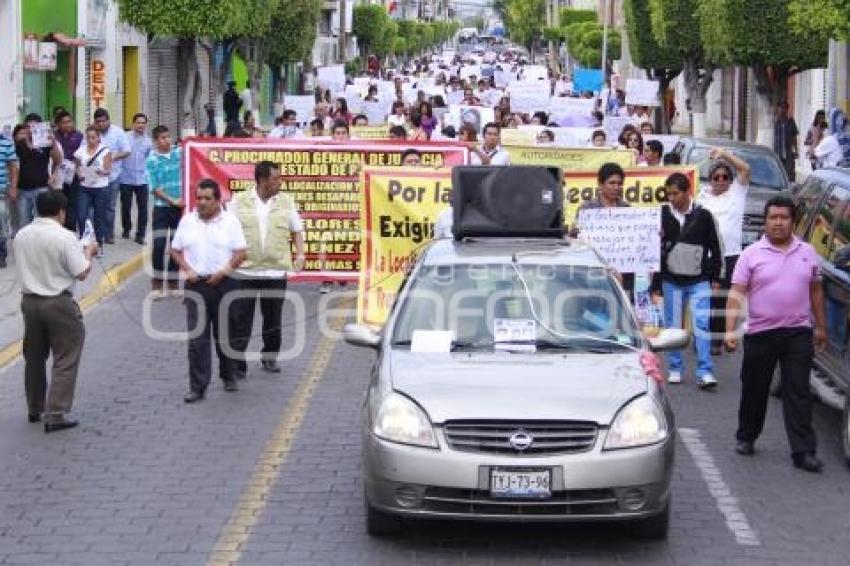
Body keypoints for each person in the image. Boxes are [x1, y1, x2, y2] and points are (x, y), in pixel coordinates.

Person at [725, 196, 827, 473]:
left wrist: (820, 327)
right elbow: (737, 292)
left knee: (799, 391)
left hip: (798, 333)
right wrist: (730, 330)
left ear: (793, 221)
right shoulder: (751, 254)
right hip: (761, 332)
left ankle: (803, 451)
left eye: (784, 218)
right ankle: (746, 436)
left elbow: (816, 290)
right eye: (773, 218)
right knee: (754, 389)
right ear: (766, 221)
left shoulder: (808, 252)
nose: (778, 223)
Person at [14, 190, 98, 432]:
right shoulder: (65, 237)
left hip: (29, 301)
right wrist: (89, 252)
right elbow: (81, 272)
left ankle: (35, 407)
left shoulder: (22, 234)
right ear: (61, 212)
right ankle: (57, 412)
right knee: (66, 355)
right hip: (58, 302)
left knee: (34, 356)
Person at [171, 179, 247, 403]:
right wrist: (187, 269)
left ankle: (229, 374)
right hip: (197, 286)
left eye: (207, 199)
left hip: (224, 284)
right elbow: (174, 250)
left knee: (226, 335)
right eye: (199, 198)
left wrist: (223, 272)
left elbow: (241, 253)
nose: (202, 203)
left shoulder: (230, 221)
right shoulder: (187, 221)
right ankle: (198, 386)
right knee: (197, 339)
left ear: (218, 200)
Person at [227, 161, 305, 376]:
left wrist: (300, 255)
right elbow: (228, 232)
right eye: (275, 178)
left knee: (273, 318)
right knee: (240, 319)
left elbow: (297, 231)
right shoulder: (239, 201)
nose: (279, 182)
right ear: (262, 180)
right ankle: (237, 364)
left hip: (275, 271)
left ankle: (269, 357)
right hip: (245, 271)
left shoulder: (286, 202)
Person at [652, 172, 723, 388]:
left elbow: (716, 247)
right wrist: (656, 285)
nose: (671, 198)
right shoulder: (660, 215)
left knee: (702, 324)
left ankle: (705, 371)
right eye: (668, 193)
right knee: (673, 327)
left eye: (675, 193)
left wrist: (716, 277)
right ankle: (675, 367)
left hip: (699, 279)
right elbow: (652, 251)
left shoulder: (704, 216)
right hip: (671, 279)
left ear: (687, 192)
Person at [696, 147, 751, 356]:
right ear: (710, 179)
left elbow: (745, 169)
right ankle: (703, 333)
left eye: (725, 177)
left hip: (730, 255)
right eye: (716, 177)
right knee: (705, 296)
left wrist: (724, 154)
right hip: (707, 255)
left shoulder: (737, 193)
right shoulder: (702, 197)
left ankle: (718, 338)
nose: (720, 181)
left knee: (724, 297)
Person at [573, 163, 635, 296]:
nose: (616, 187)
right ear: (601, 185)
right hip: (595, 273)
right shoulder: (587, 209)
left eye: (619, 183)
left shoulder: (627, 209)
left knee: (622, 312)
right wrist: (577, 232)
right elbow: (576, 237)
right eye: (611, 183)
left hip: (624, 274)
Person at [146, 125, 183, 298]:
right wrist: (172, 200)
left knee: (177, 245)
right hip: (162, 208)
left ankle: (173, 281)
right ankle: (157, 283)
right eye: (162, 137)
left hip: (180, 209)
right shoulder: (152, 160)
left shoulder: (180, 153)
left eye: (168, 136)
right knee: (159, 245)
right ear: (156, 141)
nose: (166, 140)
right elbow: (154, 188)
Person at [14, 119, 62, 228]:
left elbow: (58, 159)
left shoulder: (45, 143)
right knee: (23, 221)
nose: (32, 129)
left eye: (35, 126)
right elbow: (14, 164)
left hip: (41, 187)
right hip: (23, 189)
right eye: (30, 127)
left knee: (40, 221)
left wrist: (53, 142)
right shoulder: (19, 143)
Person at [92, 108, 130, 244]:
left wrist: (113, 156)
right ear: (94, 122)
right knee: (94, 206)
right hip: (94, 175)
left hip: (113, 176)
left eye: (103, 121)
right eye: (98, 122)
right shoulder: (92, 132)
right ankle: (95, 234)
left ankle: (108, 234)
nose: (101, 124)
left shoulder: (118, 132)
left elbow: (126, 151)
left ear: (108, 120)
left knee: (109, 206)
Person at [73, 126, 112, 257]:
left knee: (99, 217)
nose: (90, 140)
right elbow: (77, 167)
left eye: (93, 137)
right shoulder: (81, 151)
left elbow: (108, 169)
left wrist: (102, 172)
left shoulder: (105, 150)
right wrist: (79, 175)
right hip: (84, 187)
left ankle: (99, 244)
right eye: (88, 137)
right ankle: (84, 242)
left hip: (100, 187)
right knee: (81, 215)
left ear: (99, 138)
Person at [119, 113, 152, 245]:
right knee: (126, 207)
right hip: (126, 178)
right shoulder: (125, 138)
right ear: (133, 124)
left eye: (143, 123)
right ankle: (126, 228)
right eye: (138, 122)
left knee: (143, 209)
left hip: (142, 180)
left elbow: (149, 159)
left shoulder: (148, 141)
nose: (141, 125)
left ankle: (140, 235)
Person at [53, 111, 83, 232]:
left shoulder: (79, 135)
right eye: (64, 122)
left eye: (69, 121)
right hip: (58, 173)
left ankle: (70, 227)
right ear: (58, 124)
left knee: (72, 201)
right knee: (59, 200)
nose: (67, 124)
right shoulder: (54, 136)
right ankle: (58, 226)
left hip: (74, 173)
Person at [0, 132, 18, 268]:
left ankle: (1, 254)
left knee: (1, 219)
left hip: (1, 191)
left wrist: (13, 187)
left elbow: (13, 167)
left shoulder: (6, 143)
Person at [773, 101, 799, 181]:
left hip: (788, 153)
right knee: (778, 173)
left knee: (789, 173)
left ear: (787, 109)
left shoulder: (791, 122)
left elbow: (794, 137)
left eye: (784, 108)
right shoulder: (775, 122)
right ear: (778, 109)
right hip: (778, 152)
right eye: (780, 108)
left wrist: (796, 150)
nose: (782, 110)